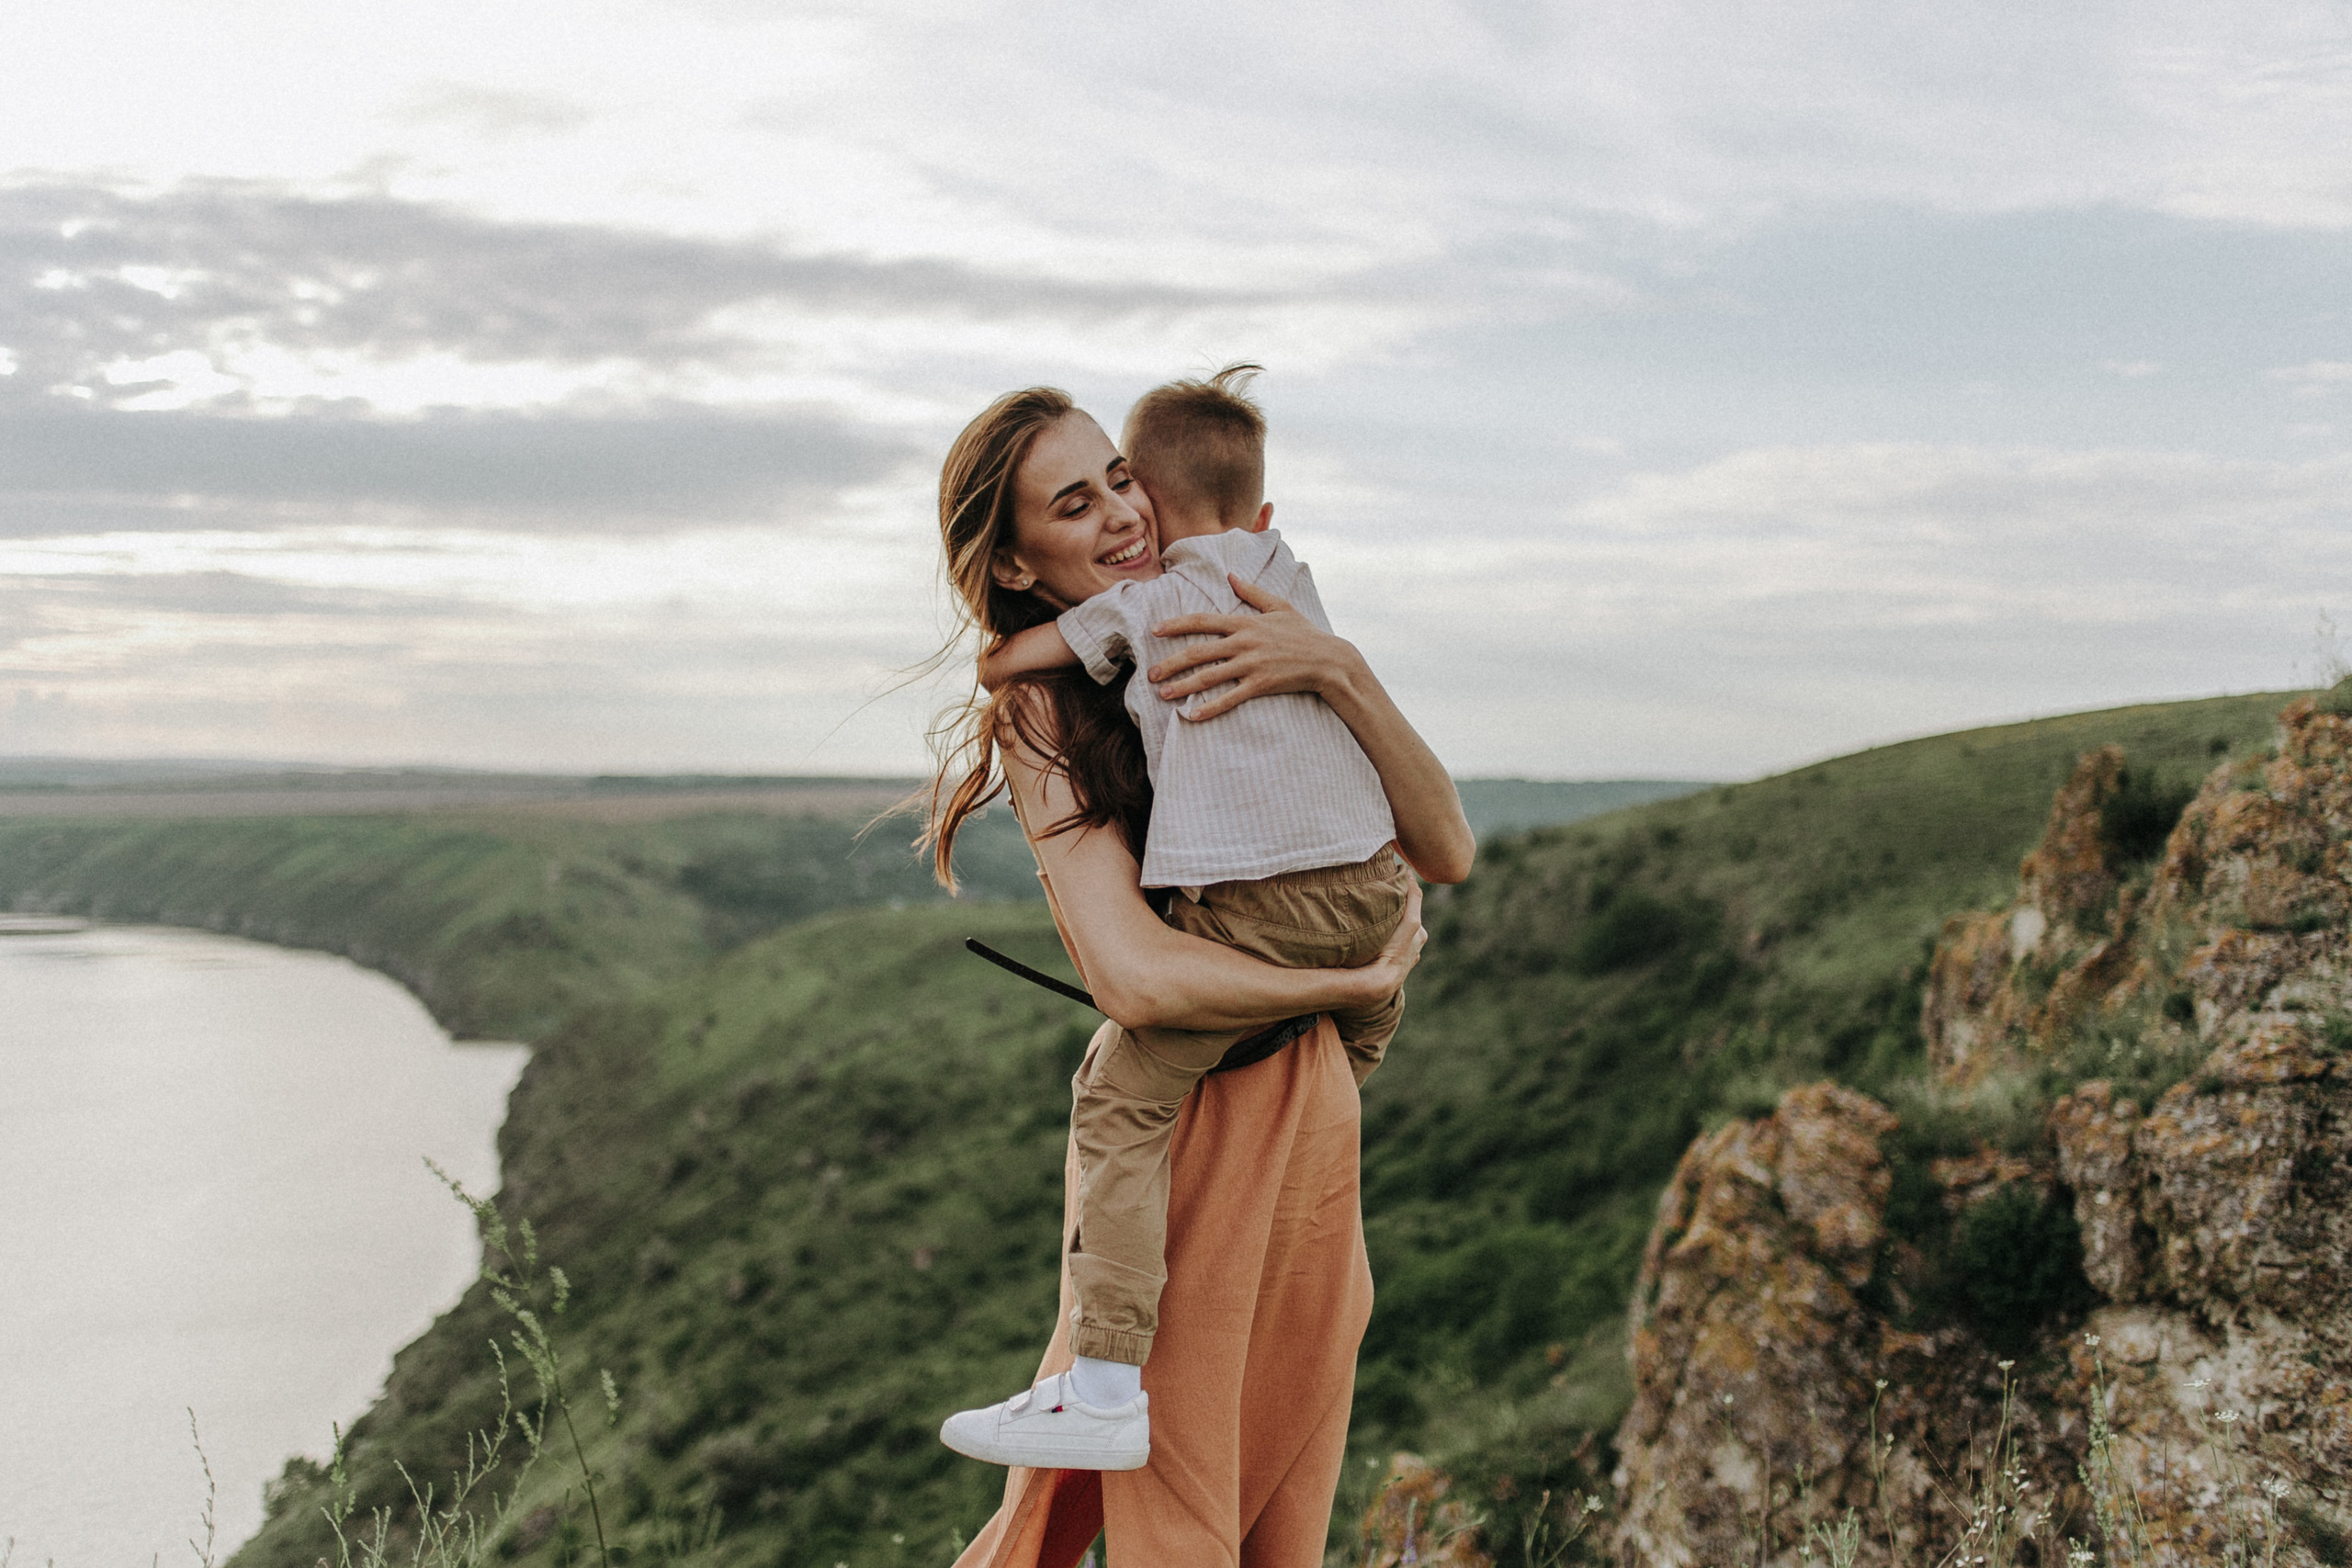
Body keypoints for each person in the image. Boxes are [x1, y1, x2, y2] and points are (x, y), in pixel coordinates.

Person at [922, 384, 1474, 1565]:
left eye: (1120, 477)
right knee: (1168, 1494)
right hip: (1197, 1122)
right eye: (1075, 505)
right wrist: (1338, 986)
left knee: (1280, 1487)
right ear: (1017, 564)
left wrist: (1335, 668)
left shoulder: (1244, 618)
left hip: (1316, 1126)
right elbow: (1139, 984)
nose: (1123, 514)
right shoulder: (1046, 707)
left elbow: (1447, 850)